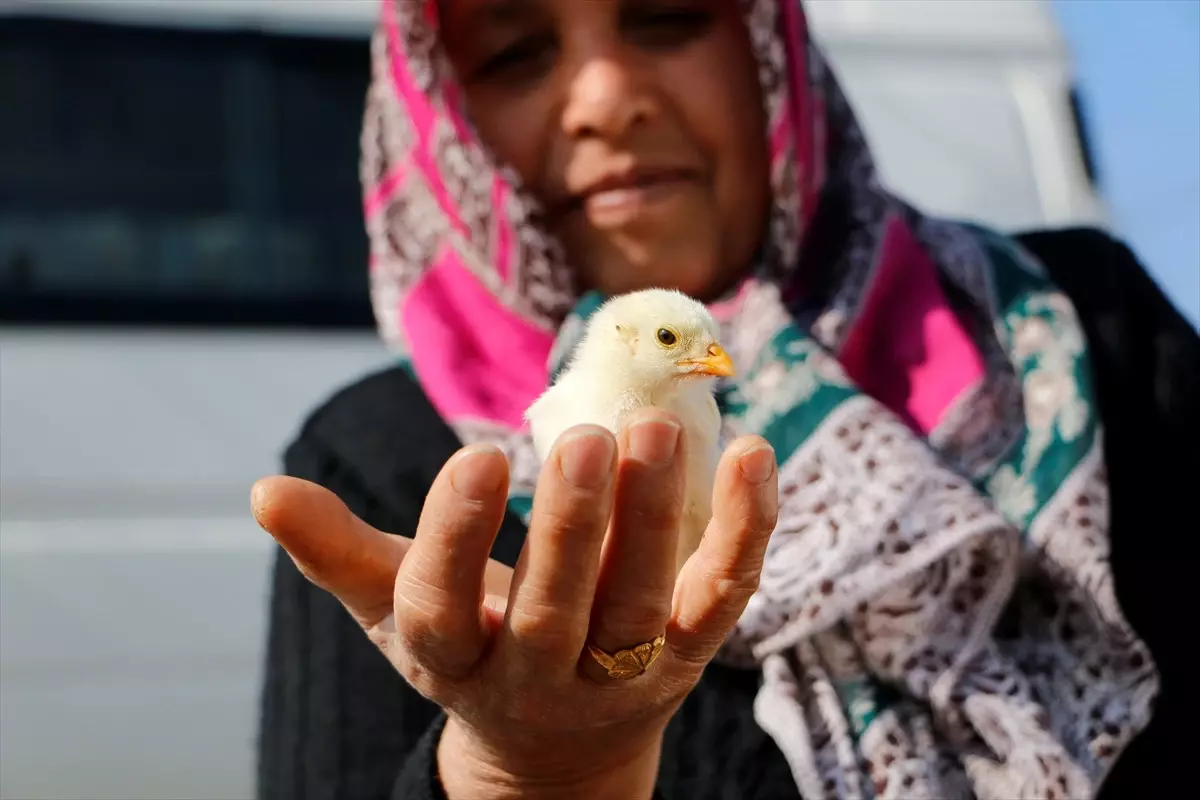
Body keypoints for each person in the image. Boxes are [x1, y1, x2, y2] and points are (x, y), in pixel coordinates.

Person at [251, 1, 1198, 798]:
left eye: (667, 19)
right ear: (439, 114)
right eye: (514, 53)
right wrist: (517, 769)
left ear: (766, 45)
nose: (608, 100)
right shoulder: (383, 465)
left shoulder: (1079, 327)